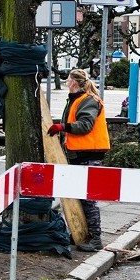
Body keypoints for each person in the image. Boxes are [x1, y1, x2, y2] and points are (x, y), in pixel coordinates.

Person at [48, 68, 110, 252]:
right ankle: (82, 233)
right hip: (81, 152)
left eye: (68, 79)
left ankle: (96, 237)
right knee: (81, 196)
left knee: (88, 197)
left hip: (90, 153)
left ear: (74, 82)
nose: (66, 82)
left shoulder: (88, 100)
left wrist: (62, 127)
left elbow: (85, 125)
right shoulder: (77, 99)